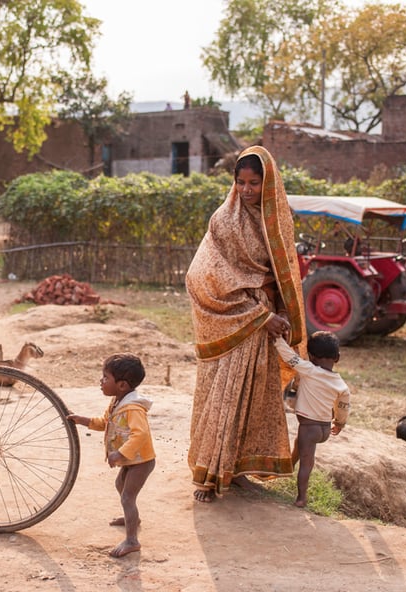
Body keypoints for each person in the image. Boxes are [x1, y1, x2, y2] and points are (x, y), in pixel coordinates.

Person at [184, 145, 306, 502]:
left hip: (264, 326)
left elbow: (283, 276)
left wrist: (277, 315)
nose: (247, 190)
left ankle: (235, 470)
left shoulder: (278, 222)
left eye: (254, 183)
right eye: (241, 182)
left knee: (254, 400)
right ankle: (208, 476)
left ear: (269, 184)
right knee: (223, 399)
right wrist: (259, 315)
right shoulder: (223, 221)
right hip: (235, 323)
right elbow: (202, 276)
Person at [67, 354, 155, 558]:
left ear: (122, 385)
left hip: (141, 461)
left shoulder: (132, 408)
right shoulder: (117, 402)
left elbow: (140, 434)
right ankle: (131, 517)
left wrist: (121, 453)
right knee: (121, 487)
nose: (101, 381)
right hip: (132, 460)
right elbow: (104, 422)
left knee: (127, 496)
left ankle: (132, 540)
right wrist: (82, 420)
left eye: (105, 377)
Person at [275, 331, 349, 507]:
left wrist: (277, 339)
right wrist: (339, 423)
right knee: (299, 446)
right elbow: (343, 407)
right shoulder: (341, 384)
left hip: (309, 427)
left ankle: (301, 498)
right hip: (323, 429)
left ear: (311, 356)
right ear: (337, 358)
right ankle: (288, 467)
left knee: (307, 464)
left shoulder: (309, 370)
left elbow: (289, 357)